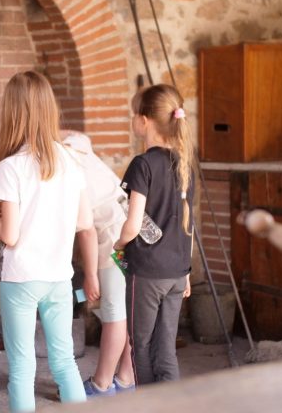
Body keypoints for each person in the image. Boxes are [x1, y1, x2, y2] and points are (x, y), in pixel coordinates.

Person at [0, 71, 97, 412]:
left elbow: (11, 236)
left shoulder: (11, 167)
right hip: (59, 278)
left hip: (21, 278)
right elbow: (86, 224)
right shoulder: (72, 161)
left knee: (21, 368)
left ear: (12, 112)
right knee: (65, 363)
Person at [114, 83, 195, 386]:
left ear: (144, 120)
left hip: (147, 274)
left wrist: (119, 243)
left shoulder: (143, 164)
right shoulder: (185, 164)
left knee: (142, 348)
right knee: (166, 351)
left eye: (134, 114)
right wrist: (187, 272)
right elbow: (188, 224)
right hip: (176, 272)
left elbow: (133, 225)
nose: (132, 119)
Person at [61, 131, 135, 398]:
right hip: (132, 225)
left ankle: (101, 385)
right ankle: (127, 378)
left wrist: (90, 274)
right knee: (126, 311)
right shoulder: (76, 144)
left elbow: (87, 229)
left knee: (114, 313)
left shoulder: (64, 161)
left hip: (114, 237)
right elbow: (78, 136)